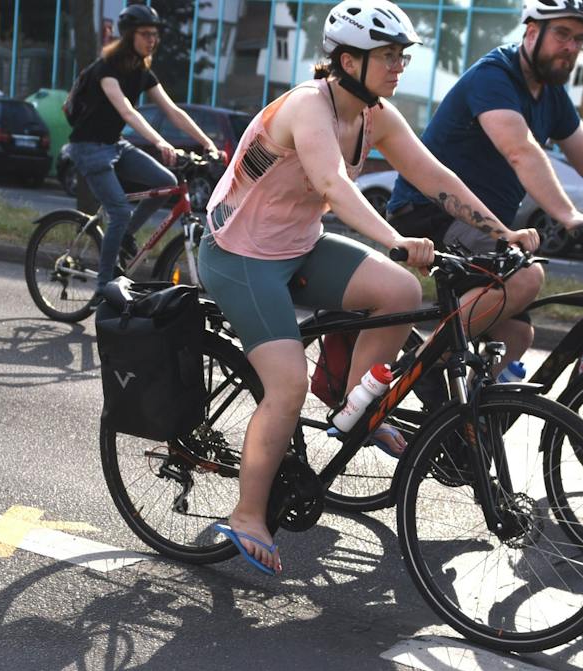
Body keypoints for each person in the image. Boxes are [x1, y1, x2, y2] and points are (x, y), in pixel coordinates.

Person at [196, 0, 537, 575]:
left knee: (400, 292)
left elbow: (434, 176)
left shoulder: (374, 113)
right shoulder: (309, 106)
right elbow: (334, 182)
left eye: (402, 55)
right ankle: (249, 514)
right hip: (240, 256)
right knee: (287, 386)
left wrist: (500, 231)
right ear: (347, 60)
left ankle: (362, 403)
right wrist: (394, 237)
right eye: (387, 55)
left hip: (297, 247)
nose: (398, 65)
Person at [386, 0, 583, 372]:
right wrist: (571, 216)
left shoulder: (551, 95)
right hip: (431, 212)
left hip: (485, 226)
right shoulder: (494, 76)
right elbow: (520, 150)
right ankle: (429, 369)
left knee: (515, 336)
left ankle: (454, 423)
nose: (571, 47)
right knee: (528, 276)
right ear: (532, 32)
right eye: (562, 34)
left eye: (579, 39)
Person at [63, 3, 223, 294]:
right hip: (88, 147)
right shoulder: (105, 69)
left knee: (166, 182)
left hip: (114, 145)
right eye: (146, 34)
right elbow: (127, 112)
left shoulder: (141, 70)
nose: (153, 39)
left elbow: (173, 110)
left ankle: (123, 235)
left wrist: (207, 142)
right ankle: (103, 288)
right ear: (128, 36)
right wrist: (160, 141)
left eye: (155, 34)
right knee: (120, 210)